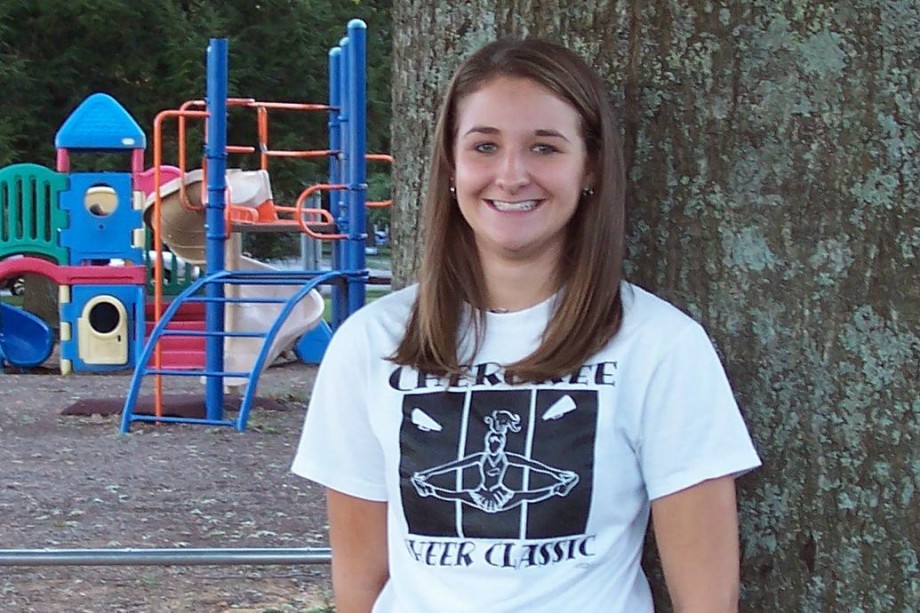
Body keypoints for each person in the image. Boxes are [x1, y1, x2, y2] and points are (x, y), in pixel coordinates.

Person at [292, 37, 761, 613]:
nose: (511, 175)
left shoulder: (661, 346)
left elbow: (708, 601)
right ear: (451, 165)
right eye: (484, 146)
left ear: (589, 167)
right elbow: (360, 587)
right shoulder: (371, 343)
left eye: (544, 148)